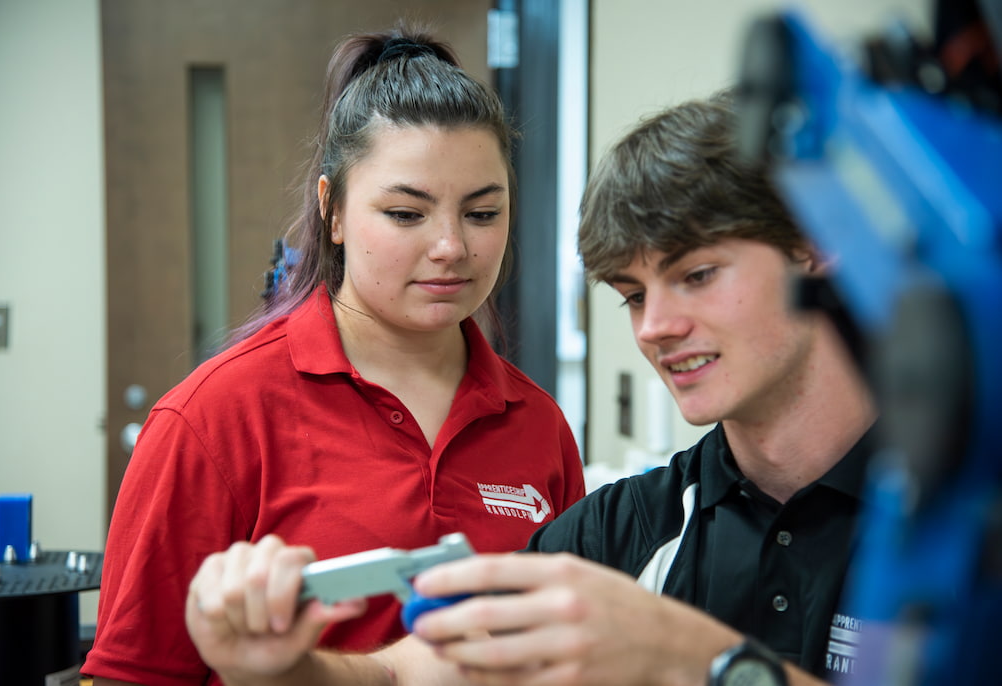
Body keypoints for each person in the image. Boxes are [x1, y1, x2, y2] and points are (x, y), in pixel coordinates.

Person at [184, 90, 878, 686]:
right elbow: (406, 673)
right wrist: (283, 668)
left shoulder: (966, 521)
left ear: (812, 245)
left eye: (697, 275)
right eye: (633, 296)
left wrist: (691, 653)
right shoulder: (625, 532)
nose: (656, 329)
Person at [83, 25, 585, 686]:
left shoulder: (537, 425)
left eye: (482, 213)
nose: (451, 248)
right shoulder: (213, 419)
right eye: (407, 214)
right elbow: (131, 676)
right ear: (334, 212)